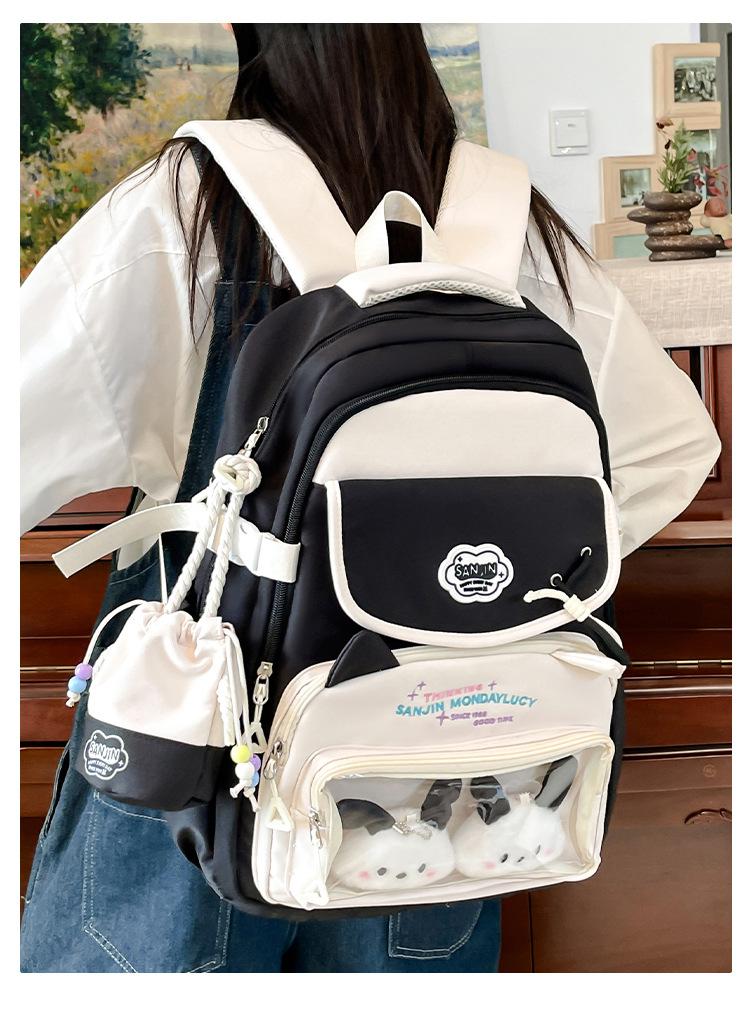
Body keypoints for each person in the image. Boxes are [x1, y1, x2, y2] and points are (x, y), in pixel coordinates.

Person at [20, 24, 720, 974]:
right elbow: (673, 446)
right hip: (443, 777)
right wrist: (489, 579)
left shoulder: (191, 202)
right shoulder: (509, 222)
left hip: (201, 758)